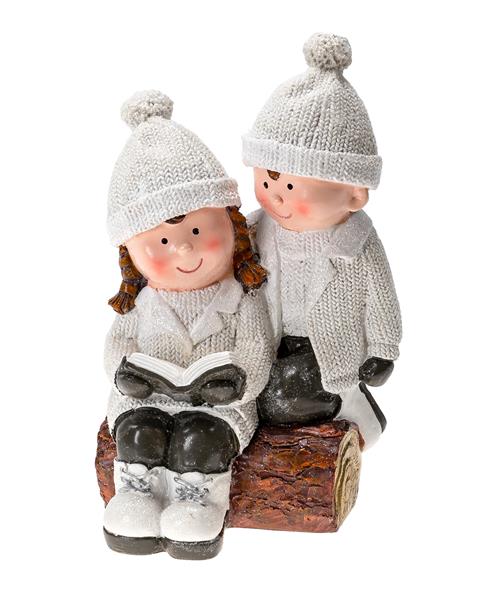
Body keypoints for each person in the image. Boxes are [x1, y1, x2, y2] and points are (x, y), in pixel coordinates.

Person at [103, 90, 273, 559]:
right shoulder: (140, 304)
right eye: (160, 241)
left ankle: (198, 502)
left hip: (219, 407)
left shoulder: (243, 297)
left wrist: (237, 382)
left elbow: (257, 349)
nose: (183, 249)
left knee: (200, 438)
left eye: (197, 230)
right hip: (146, 398)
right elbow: (116, 348)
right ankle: (136, 494)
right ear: (131, 256)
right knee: (139, 432)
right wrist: (125, 374)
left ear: (232, 224)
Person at [242, 33, 402, 448]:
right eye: (268, 180)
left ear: (354, 195)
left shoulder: (358, 243)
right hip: (267, 340)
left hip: (328, 348)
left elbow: (381, 296)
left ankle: (350, 406)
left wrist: (383, 348)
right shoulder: (254, 230)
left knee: (281, 397)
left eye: (294, 186)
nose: (276, 196)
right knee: (254, 390)